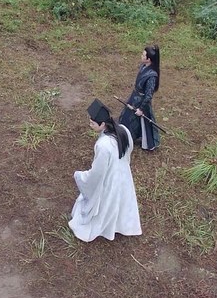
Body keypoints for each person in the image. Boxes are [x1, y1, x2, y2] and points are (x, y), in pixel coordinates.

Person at [68, 99, 142, 242]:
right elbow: (129, 150)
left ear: (102, 124)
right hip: (124, 174)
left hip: (110, 178)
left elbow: (97, 173)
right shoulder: (123, 130)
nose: (90, 124)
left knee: (107, 202)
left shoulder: (103, 145)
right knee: (122, 199)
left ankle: (106, 226)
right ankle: (121, 224)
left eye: (92, 123)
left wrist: (81, 177)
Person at [118, 45, 160, 151]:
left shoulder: (152, 76)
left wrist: (141, 109)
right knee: (126, 117)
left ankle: (128, 138)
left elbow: (149, 95)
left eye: (143, 55)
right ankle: (124, 136)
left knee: (137, 121)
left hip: (141, 102)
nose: (141, 56)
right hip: (134, 97)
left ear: (148, 59)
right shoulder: (143, 66)